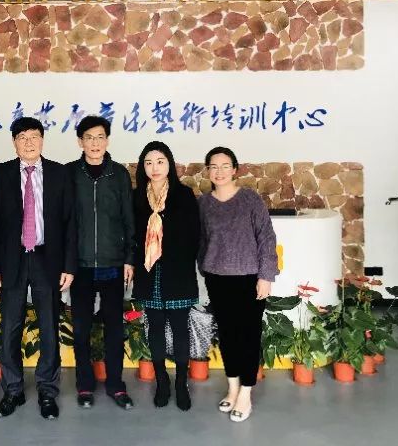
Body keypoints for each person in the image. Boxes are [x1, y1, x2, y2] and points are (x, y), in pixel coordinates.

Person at [0, 117, 77, 420]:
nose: (29, 142)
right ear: (14, 143)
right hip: (11, 260)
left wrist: (69, 265)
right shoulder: (1, 174)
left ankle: (48, 391)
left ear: (42, 140)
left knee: (49, 327)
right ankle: (13, 391)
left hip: (48, 260)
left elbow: (70, 223)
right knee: (10, 326)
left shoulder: (60, 174)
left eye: (34, 136)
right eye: (22, 137)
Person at [198, 146, 278, 423]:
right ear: (208, 171)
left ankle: (246, 393)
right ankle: (232, 388)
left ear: (235, 169)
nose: (219, 171)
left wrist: (266, 276)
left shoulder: (250, 199)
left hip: (249, 278)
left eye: (225, 166)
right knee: (228, 335)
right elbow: (201, 240)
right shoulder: (203, 203)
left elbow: (266, 237)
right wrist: (204, 266)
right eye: (213, 166)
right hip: (216, 278)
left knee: (248, 336)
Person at [65, 116, 135, 410]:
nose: (95, 143)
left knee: (114, 329)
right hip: (79, 266)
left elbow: (129, 219)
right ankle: (84, 384)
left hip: (112, 264)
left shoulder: (119, 174)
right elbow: (63, 220)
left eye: (100, 137)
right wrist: (65, 263)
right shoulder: (69, 173)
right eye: (89, 137)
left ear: (107, 140)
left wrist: (129, 258)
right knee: (81, 329)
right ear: (80, 141)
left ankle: (116, 385)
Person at [132, 141, 200, 411]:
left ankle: (181, 382)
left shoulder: (184, 195)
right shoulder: (137, 197)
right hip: (149, 273)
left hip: (177, 272)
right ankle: (162, 381)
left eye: (160, 161)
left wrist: (176, 254)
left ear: (169, 164)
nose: (155, 168)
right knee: (155, 328)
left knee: (180, 329)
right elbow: (131, 234)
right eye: (149, 163)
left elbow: (194, 235)